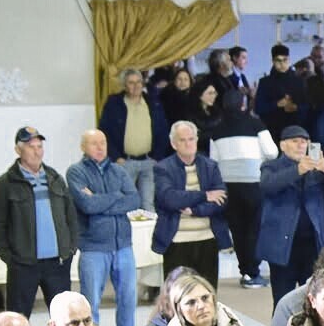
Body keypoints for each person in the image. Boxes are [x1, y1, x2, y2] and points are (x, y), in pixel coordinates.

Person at [0, 126, 77, 314]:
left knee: (64, 318)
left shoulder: (55, 179)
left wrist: (70, 249)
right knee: (17, 318)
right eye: (31, 147)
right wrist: (11, 259)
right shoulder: (4, 184)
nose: (37, 152)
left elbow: (71, 217)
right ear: (18, 150)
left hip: (57, 263)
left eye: (39, 147)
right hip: (23, 265)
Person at [66, 129, 142, 326]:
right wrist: (117, 198)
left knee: (128, 298)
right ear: (83, 147)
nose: (100, 147)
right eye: (93, 143)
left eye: (103, 142)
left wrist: (101, 200)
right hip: (93, 247)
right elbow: (87, 205)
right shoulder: (76, 172)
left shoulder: (118, 170)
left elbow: (134, 200)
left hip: (123, 246)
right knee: (91, 302)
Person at [257, 126, 324, 300]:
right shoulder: (270, 166)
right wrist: (298, 170)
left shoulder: (316, 168)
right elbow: (268, 185)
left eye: (304, 142)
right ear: (282, 145)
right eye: (294, 141)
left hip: (313, 245)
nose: (300, 145)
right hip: (282, 245)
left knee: (313, 300)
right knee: (282, 300)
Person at [209, 88, 277, 287]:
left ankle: (246, 272)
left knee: (238, 230)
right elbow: (272, 152)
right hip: (254, 183)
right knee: (254, 228)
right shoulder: (255, 124)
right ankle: (254, 272)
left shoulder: (217, 130)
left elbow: (214, 161)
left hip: (229, 185)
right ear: (243, 104)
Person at [153, 120, 230, 286]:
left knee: (207, 292)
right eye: (183, 140)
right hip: (177, 240)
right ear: (174, 144)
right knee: (177, 295)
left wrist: (195, 211)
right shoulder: (163, 168)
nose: (188, 143)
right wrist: (204, 195)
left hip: (208, 239)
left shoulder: (210, 166)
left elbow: (221, 200)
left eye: (191, 139)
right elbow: (169, 199)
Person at [97, 67, 169, 212]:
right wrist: (116, 157)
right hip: (125, 162)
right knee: (126, 203)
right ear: (124, 85)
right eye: (131, 83)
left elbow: (163, 130)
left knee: (148, 204)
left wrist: (157, 157)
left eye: (138, 82)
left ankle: (149, 234)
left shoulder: (153, 102)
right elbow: (105, 132)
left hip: (149, 161)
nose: (136, 86)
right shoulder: (114, 104)